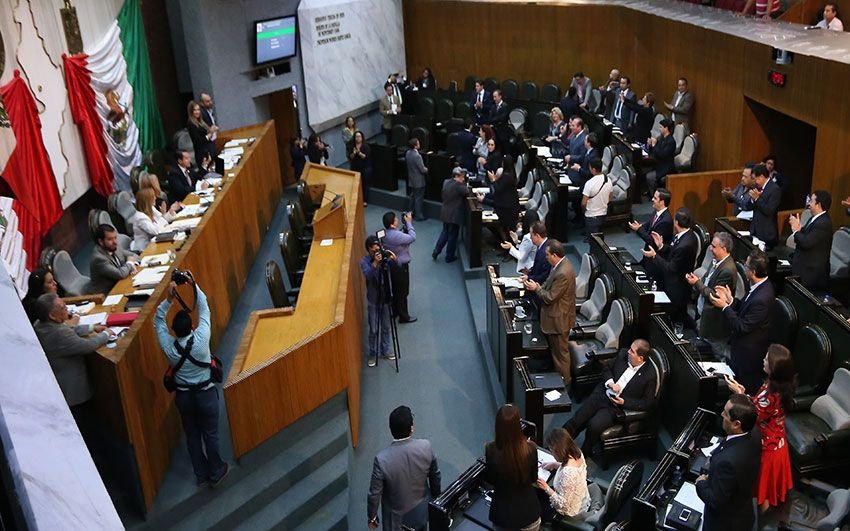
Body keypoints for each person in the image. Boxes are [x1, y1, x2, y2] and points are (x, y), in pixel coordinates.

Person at [154, 279, 229, 487]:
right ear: (192, 327)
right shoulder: (202, 337)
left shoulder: (169, 347)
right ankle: (216, 470)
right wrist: (193, 283)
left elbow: (158, 321)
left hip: (184, 398)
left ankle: (201, 473)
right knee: (211, 434)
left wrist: (168, 300)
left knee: (193, 436)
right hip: (206, 394)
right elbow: (204, 307)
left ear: (174, 331)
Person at [725, 344, 796, 513]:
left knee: (762, 495)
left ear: (773, 368)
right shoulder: (779, 385)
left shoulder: (771, 394)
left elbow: (753, 416)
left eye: (766, 359)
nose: (763, 359)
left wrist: (739, 395)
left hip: (767, 447)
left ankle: (761, 521)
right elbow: (759, 405)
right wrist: (744, 394)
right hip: (777, 439)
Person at [563, 340, 657, 457]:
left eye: (632, 351)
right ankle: (558, 445)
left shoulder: (649, 376)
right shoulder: (623, 354)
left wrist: (624, 402)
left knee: (594, 425)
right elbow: (606, 368)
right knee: (579, 418)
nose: (628, 352)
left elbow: (647, 403)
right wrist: (610, 383)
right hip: (603, 393)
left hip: (615, 408)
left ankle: (584, 452)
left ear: (640, 358)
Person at [711, 249, 775, 394]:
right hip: (740, 350)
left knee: (744, 393)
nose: (744, 268)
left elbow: (742, 326)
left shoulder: (762, 298)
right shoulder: (758, 286)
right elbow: (746, 308)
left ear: (752, 272)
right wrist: (731, 301)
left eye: (746, 266)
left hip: (749, 357)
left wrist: (725, 307)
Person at [368, 405, 441, 531]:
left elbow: (374, 494)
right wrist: (437, 502)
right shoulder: (426, 447)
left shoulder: (381, 460)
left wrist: (372, 517)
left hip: (396, 523)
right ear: (411, 428)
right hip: (422, 514)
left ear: (390, 429)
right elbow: (435, 477)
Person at [32, 293, 110, 411]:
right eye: (63, 308)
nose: (67, 309)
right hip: (74, 391)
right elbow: (87, 346)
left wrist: (92, 328)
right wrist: (106, 334)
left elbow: (68, 328)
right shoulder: (59, 334)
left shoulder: (40, 323)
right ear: (52, 315)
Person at [695, 394, 762, 531]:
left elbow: (715, 501)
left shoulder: (728, 462)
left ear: (736, 424)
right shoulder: (754, 432)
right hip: (742, 506)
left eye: (725, 414)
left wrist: (701, 483)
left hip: (724, 524)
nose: (721, 414)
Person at [523, 240, 576, 386]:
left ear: (555, 255)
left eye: (547, 255)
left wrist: (537, 289)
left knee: (561, 356)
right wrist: (537, 285)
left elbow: (550, 297)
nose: (545, 257)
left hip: (559, 321)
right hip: (554, 317)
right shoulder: (558, 266)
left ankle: (565, 385)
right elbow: (547, 283)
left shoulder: (563, 273)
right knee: (556, 353)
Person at [485, 404, 541, 531]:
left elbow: (490, 479)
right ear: (517, 425)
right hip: (528, 514)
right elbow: (533, 478)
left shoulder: (490, 449)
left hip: (503, 517)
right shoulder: (531, 448)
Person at [642, 207, 699, 327]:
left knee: (675, 318)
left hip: (677, 286)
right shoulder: (685, 235)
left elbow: (670, 268)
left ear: (676, 222)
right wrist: (661, 246)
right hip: (676, 281)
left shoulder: (685, 244)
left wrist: (654, 256)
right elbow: (673, 250)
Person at [686, 232, 737, 360]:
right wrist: (697, 280)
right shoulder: (716, 261)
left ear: (723, 249)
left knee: (716, 356)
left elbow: (715, 297)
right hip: (704, 315)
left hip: (715, 325)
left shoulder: (727, 270)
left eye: (714, 246)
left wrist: (697, 283)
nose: (710, 249)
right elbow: (706, 280)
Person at [537, 428, 597, 522]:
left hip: (569, 511)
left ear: (558, 451)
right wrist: (555, 464)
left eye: (552, 451)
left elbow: (563, 505)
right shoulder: (577, 453)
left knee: (535, 505)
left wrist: (546, 488)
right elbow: (574, 475)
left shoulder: (568, 473)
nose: (551, 453)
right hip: (580, 498)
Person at [361, 236, 397, 367]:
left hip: (385, 297)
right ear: (368, 249)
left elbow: (395, 266)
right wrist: (375, 264)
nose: (377, 252)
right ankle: (373, 353)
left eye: (378, 249)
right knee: (373, 329)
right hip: (373, 300)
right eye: (373, 250)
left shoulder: (384, 257)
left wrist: (392, 258)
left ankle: (385, 350)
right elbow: (368, 275)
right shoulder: (364, 261)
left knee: (386, 327)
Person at [789, 190, 833, 291]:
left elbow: (806, 243)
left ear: (818, 204)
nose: (809, 204)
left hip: (811, 273)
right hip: (804, 267)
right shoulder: (815, 218)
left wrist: (796, 231)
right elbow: (806, 233)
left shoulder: (823, 223)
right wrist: (799, 228)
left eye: (812, 201)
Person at [382, 211, 417, 323]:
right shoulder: (397, 236)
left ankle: (395, 311)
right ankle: (404, 316)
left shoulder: (384, 234)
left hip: (392, 265)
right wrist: (409, 223)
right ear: (392, 224)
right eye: (396, 219)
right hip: (401, 266)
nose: (397, 220)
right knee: (403, 292)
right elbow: (412, 237)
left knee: (396, 289)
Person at [478, 156, 520, 244]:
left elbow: (497, 190)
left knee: (507, 231)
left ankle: (508, 246)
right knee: (505, 230)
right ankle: (506, 245)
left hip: (507, 210)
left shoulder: (507, 177)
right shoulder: (511, 175)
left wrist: (493, 180)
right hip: (509, 207)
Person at [90, 224, 140, 294]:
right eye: (110, 239)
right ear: (101, 241)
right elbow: (120, 274)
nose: (115, 242)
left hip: (121, 283)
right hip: (109, 293)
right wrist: (130, 263)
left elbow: (133, 255)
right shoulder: (98, 259)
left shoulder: (114, 246)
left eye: (115, 238)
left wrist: (133, 264)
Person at [433, 167, 468, 263]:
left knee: (445, 232)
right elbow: (466, 191)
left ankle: (436, 250)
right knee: (453, 235)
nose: (463, 179)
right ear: (456, 176)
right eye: (461, 177)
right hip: (454, 215)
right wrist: (463, 183)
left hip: (445, 212)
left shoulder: (446, 182)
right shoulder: (458, 186)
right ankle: (449, 256)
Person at [749, 163, 780, 250]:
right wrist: (752, 199)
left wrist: (757, 199)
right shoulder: (756, 187)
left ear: (762, 176)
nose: (754, 182)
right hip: (755, 231)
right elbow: (748, 206)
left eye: (755, 179)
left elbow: (769, 211)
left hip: (766, 235)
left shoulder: (775, 189)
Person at [581, 159, 613, 242]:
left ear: (593, 169)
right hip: (603, 214)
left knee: (593, 242)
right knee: (600, 240)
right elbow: (610, 198)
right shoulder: (608, 180)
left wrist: (585, 212)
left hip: (592, 216)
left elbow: (583, 203)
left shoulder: (589, 183)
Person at [129, 188, 168, 252]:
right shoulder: (140, 217)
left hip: (154, 242)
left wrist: (164, 216)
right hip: (144, 249)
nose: (155, 198)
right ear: (147, 200)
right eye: (153, 197)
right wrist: (163, 216)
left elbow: (163, 221)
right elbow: (156, 231)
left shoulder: (151, 208)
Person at [645, 118, 676, 196]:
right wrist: (650, 145)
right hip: (658, 163)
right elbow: (656, 151)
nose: (659, 129)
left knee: (649, 177)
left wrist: (654, 145)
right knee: (644, 171)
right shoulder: (662, 138)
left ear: (666, 128)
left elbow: (662, 154)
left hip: (666, 167)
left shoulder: (671, 142)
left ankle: (655, 195)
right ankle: (650, 192)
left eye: (661, 127)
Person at [405, 138, 428, 221]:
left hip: (412, 179)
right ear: (415, 146)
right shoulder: (417, 156)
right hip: (419, 181)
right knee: (418, 198)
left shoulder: (407, 153)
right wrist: (428, 169)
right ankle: (419, 216)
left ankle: (410, 213)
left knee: (413, 196)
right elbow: (422, 169)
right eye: (418, 143)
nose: (419, 144)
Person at [348, 130, 372, 206]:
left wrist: (359, 153)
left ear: (362, 137)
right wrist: (354, 153)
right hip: (355, 167)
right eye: (356, 136)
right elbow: (350, 157)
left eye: (359, 136)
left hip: (365, 168)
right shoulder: (352, 146)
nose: (358, 138)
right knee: (355, 184)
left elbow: (365, 157)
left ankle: (365, 200)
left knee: (365, 184)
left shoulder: (365, 146)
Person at [564, 117, 588, 184]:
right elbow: (567, 144)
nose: (571, 127)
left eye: (573, 126)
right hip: (570, 170)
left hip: (577, 174)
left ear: (579, 127)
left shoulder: (584, 139)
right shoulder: (574, 135)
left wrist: (571, 157)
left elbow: (583, 157)